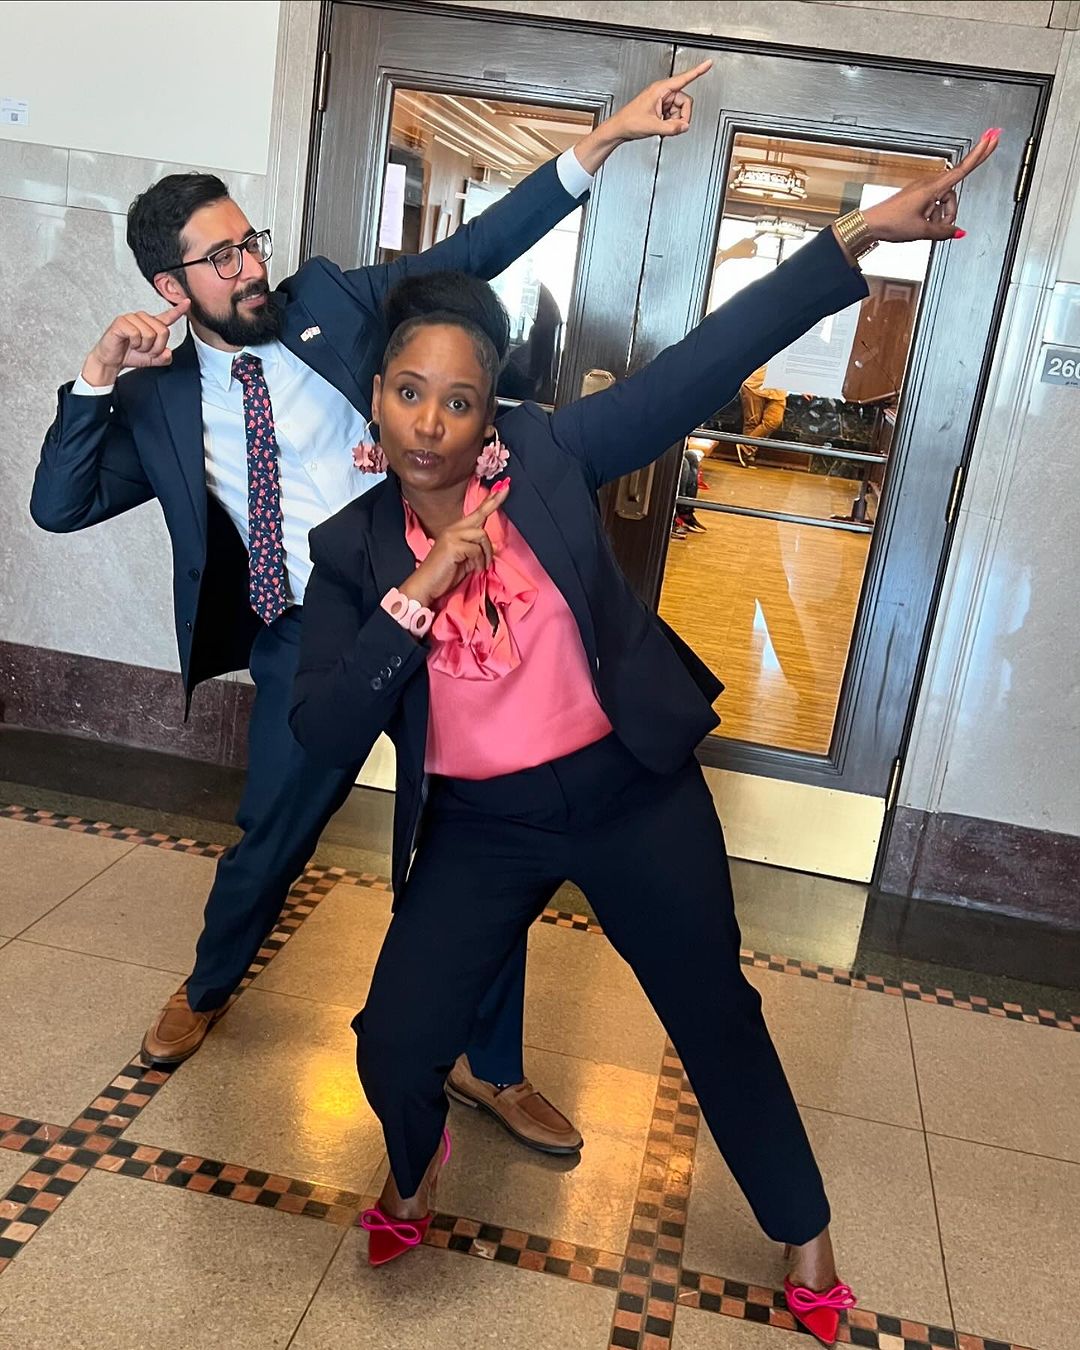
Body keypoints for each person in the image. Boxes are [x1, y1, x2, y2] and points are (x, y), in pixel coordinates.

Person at [288, 132, 998, 1343]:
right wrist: (420, 592)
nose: (430, 423)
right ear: (377, 395)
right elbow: (323, 728)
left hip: (631, 794)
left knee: (713, 1010)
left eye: (458, 399)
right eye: (409, 392)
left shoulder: (548, 459)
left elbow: (703, 364)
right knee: (395, 1044)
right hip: (481, 824)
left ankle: (804, 1231)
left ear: (489, 408)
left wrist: (858, 238)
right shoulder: (351, 552)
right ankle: (416, 1166)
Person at [29, 61, 713, 1158]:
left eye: (250, 243)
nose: (253, 268)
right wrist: (97, 376)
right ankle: (207, 987)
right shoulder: (156, 398)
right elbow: (59, 507)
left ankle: (490, 1065)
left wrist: (605, 141)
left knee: (476, 843)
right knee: (270, 835)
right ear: (171, 287)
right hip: (314, 634)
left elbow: (478, 249)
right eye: (222, 259)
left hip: (440, 620)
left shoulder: (335, 303)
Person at [738, 364, 788, 466]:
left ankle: (745, 446)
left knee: (774, 421)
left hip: (779, 389)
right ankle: (748, 456)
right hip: (755, 384)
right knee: (752, 421)